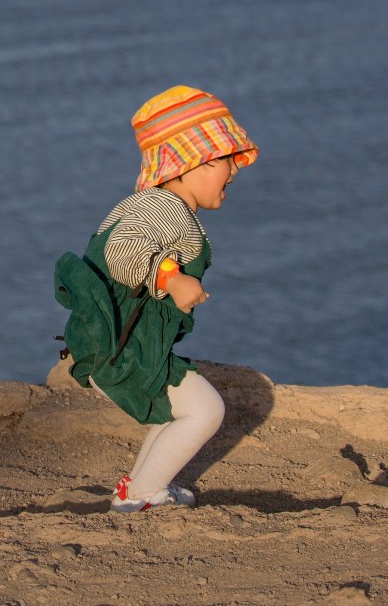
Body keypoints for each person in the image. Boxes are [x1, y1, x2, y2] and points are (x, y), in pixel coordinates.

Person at [53, 86, 258, 512]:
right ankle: (143, 496)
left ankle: (138, 488)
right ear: (185, 166)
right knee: (206, 412)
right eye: (223, 160)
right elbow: (123, 249)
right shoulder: (163, 208)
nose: (234, 171)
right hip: (123, 347)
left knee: (176, 412)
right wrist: (170, 277)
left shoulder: (160, 205)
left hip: (127, 342)